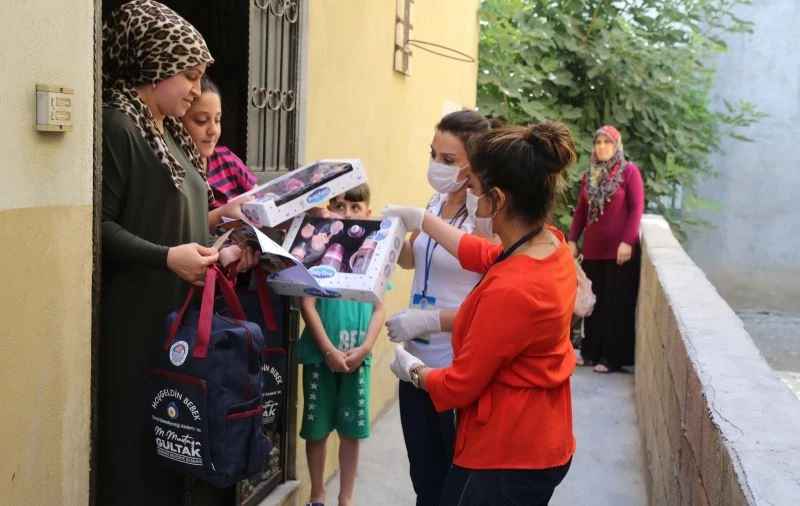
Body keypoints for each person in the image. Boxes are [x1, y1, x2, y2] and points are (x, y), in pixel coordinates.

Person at [99, 1, 253, 503]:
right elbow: (98, 228)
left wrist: (223, 243)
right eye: (188, 74)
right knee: (139, 450)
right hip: (140, 318)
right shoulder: (119, 127)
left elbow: (181, 222)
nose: (195, 88)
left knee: (177, 445)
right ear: (152, 64)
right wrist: (168, 258)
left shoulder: (172, 136)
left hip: (178, 316)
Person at [384, 121, 578, 506]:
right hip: (542, 436)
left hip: (508, 452)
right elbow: (482, 253)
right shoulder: (549, 246)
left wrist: (413, 371)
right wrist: (423, 220)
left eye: (473, 187)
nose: (469, 193)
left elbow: (460, 384)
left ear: (498, 200)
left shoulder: (513, 289)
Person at [387, 110, 490, 506]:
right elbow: (414, 258)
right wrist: (391, 240)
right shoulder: (437, 199)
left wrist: (427, 320)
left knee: (453, 482)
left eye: (448, 160)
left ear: (473, 165)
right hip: (413, 364)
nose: (437, 166)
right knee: (424, 480)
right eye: (434, 155)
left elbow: (484, 276)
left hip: (454, 365)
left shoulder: (486, 221)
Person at [296, 184, 387, 506]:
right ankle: (317, 495)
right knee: (316, 430)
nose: (346, 214)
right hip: (321, 357)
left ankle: (345, 499)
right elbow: (307, 305)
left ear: (368, 213)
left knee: (351, 431)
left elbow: (379, 308)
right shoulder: (317, 251)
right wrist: (328, 350)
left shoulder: (375, 256)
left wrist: (365, 348)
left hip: (356, 357)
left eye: (354, 207)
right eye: (338, 206)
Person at [567, 125, 644, 373]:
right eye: (598, 142)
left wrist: (627, 241)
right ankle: (590, 353)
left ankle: (611, 358)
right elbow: (580, 212)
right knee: (593, 304)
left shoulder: (628, 172)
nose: (602, 147)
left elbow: (637, 207)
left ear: (616, 145)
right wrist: (572, 239)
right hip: (593, 250)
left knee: (615, 305)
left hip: (619, 252)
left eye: (607, 142)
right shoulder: (590, 176)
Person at [181, 75, 258, 209]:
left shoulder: (226, 159)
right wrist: (222, 214)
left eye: (217, 120)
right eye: (201, 120)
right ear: (177, 122)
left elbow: (259, 196)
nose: (213, 130)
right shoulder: (175, 170)